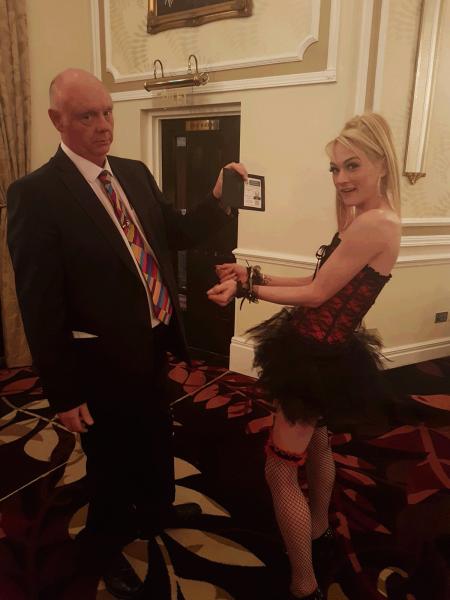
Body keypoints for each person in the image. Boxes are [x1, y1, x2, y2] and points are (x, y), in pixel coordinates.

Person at [7, 68, 247, 599]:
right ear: (57, 120)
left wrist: (216, 198)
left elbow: (174, 234)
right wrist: (63, 393)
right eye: (86, 116)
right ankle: (104, 544)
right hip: (96, 358)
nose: (103, 125)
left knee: (156, 432)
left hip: (153, 339)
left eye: (107, 112)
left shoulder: (134, 173)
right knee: (110, 459)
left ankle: (157, 510)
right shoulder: (36, 194)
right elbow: (40, 304)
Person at [207, 113, 401, 599]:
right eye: (335, 168)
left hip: (314, 354)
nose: (341, 178)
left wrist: (244, 290)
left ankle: (304, 583)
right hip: (328, 350)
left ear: (382, 163)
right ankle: (317, 529)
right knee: (318, 442)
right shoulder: (372, 219)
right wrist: (253, 276)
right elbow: (321, 281)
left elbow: (316, 295)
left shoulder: (374, 224)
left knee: (279, 468)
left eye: (352, 165)